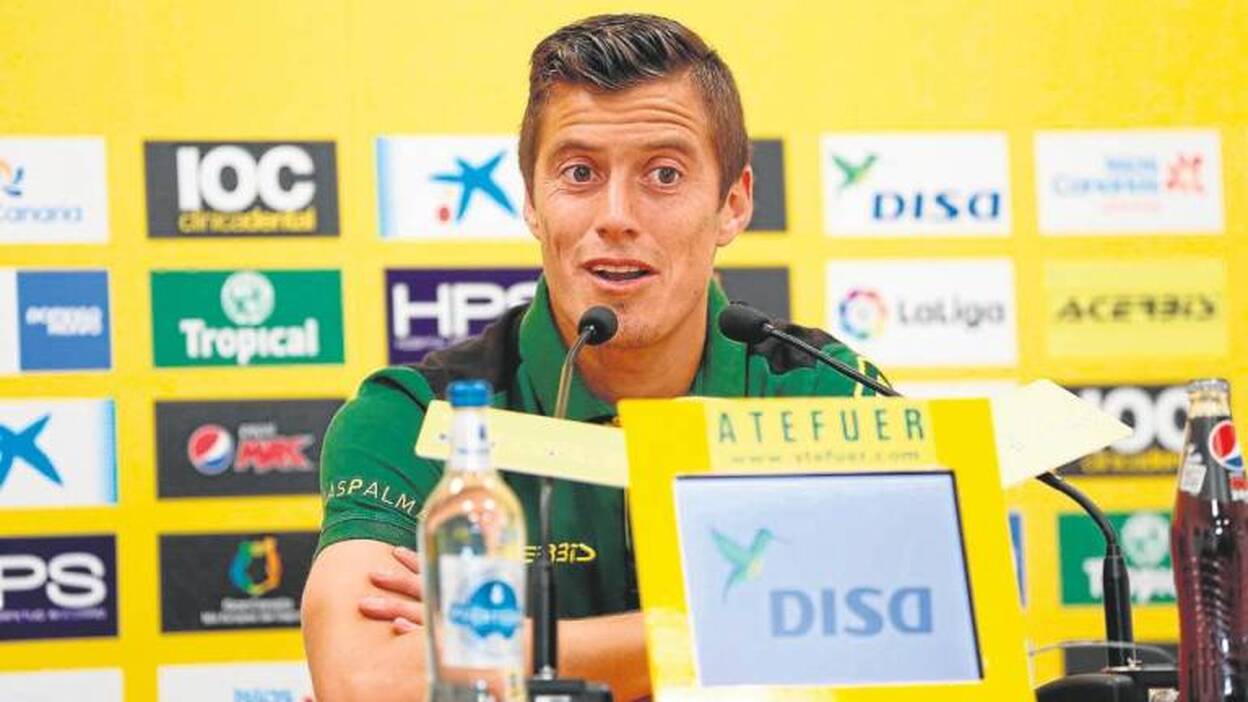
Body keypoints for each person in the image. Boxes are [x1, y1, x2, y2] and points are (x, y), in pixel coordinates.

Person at [301, 13, 887, 702]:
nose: (616, 216)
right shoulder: (412, 418)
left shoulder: (828, 395)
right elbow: (368, 678)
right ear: (532, 201)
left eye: (664, 174)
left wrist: (494, 645)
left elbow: (913, 636)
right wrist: (776, 616)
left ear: (733, 204)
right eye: (579, 173)